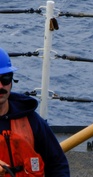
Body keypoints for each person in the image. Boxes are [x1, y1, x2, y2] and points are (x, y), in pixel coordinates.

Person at [0, 47, 70, 177]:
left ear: (12, 81)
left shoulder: (30, 120)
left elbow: (57, 164)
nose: (0, 86)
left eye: (5, 79)